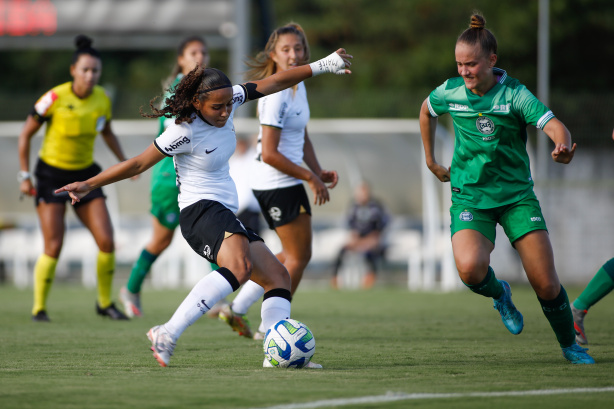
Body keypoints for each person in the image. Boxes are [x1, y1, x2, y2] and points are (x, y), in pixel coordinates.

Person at [55, 48, 353, 368]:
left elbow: (277, 80)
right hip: (199, 212)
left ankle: (275, 353)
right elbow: (138, 163)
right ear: (197, 103)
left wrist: (325, 65)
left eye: (229, 104)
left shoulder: (230, 99)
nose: (226, 111)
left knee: (279, 276)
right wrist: (89, 184)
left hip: (222, 212)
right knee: (239, 267)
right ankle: (166, 333)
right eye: (217, 107)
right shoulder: (183, 131)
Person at [418, 14, 594, 364]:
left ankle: (569, 345)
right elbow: (426, 111)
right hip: (470, 196)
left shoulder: (515, 94)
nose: (464, 71)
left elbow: (553, 124)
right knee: (469, 270)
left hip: (516, 198)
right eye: (459, 64)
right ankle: (501, 295)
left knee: (545, 283)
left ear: (491, 61)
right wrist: (431, 160)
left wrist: (562, 145)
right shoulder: (449, 91)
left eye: (471, 64)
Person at [217, 23, 339, 340]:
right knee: (298, 258)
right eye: (286, 49)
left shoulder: (299, 85)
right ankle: (274, 328)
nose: (294, 55)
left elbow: (302, 135)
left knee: (290, 255)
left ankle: (238, 308)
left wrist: (317, 169)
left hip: (286, 181)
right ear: (274, 55)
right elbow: (269, 153)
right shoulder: (275, 96)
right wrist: (310, 177)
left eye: (298, 49)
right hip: (275, 182)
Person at [18, 35, 130, 322]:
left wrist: (126, 163)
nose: (91, 76)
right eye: (85, 70)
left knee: (106, 241)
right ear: (73, 70)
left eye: (95, 71)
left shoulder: (102, 98)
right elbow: (25, 134)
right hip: (49, 175)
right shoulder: (54, 98)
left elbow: (107, 132)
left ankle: (105, 303)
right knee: (53, 245)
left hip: (85, 175)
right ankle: (38, 308)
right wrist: (24, 176)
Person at [120, 35, 209, 318]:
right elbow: (177, 135)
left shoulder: (208, 88)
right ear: (181, 60)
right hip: (169, 178)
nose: (201, 56)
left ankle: (218, 302)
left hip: (199, 177)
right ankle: (131, 288)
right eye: (194, 52)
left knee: (215, 230)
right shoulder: (177, 92)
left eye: (204, 52)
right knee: (161, 240)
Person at [331, 181, 389, 289]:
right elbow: (349, 224)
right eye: (359, 192)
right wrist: (354, 235)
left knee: (369, 250)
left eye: (364, 192)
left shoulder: (377, 206)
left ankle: (370, 277)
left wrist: (373, 237)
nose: (361, 195)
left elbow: (382, 225)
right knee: (342, 249)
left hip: (372, 238)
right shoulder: (353, 206)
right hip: (357, 239)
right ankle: (335, 278)